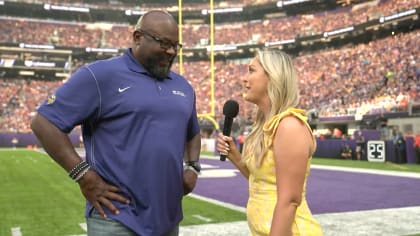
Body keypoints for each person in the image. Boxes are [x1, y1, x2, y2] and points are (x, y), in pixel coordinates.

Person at [30, 10, 201, 236]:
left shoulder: (183, 86)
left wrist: (192, 167)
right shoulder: (101, 75)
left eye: (176, 46)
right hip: (116, 217)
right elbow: (44, 122)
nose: (170, 51)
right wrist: (83, 175)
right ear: (138, 37)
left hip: (167, 218)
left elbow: (192, 131)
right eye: (164, 43)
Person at [216, 49, 322, 235]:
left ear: (273, 76)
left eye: (251, 70)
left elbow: (289, 200)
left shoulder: (289, 126)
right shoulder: (264, 127)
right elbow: (262, 183)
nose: (244, 78)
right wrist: (236, 158)